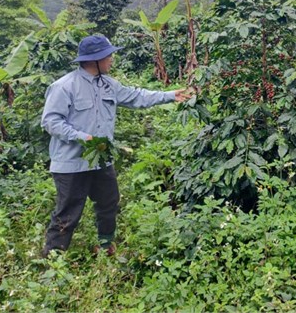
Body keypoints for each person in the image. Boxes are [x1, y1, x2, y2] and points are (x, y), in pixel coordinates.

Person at [40, 34, 192, 257]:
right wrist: (82, 137)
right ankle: (52, 260)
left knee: (109, 203)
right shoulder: (64, 87)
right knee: (68, 212)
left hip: (101, 159)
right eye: (108, 55)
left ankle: (105, 246)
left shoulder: (108, 84)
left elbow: (136, 96)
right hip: (71, 163)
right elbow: (51, 122)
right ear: (95, 60)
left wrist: (170, 95)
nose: (112, 59)